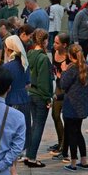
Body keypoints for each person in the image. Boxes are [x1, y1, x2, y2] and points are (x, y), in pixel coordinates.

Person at [2, 35, 31, 175]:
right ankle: (13, 170)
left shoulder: (7, 67)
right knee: (18, 136)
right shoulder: (24, 64)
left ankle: (12, 172)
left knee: (8, 137)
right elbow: (28, 84)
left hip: (11, 101)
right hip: (24, 100)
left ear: (8, 49)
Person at [60, 44, 88, 171]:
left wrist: (63, 71)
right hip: (82, 105)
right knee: (78, 132)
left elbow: (63, 84)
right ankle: (83, 161)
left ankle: (73, 162)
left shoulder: (72, 68)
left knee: (71, 133)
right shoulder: (87, 66)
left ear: (69, 55)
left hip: (71, 105)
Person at [25, 29, 53, 167]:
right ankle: (31, 157)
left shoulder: (29, 54)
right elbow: (44, 81)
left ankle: (28, 153)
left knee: (33, 125)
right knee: (38, 126)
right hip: (40, 95)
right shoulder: (43, 58)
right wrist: (48, 98)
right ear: (44, 41)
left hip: (30, 93)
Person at [50, 33, 70, 161]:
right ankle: (60, 141)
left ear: (64, 45)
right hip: (58, 86)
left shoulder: (69, 57)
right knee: (55, 115)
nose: (54, 44)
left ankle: (64, 146)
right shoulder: (53, 51)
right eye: (54, 42)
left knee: (66, 117)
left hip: (67, 89)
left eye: (57, 43)